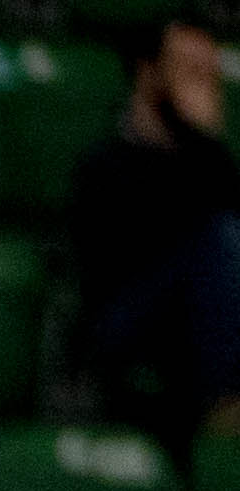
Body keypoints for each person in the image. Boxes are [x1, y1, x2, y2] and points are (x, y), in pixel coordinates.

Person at [72, 4, 240, 451]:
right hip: (127, 323)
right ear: (149, 74)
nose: (201, 87)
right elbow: (128, 255)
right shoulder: (105, 165)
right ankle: (227, 419)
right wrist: (204, 143)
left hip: (200, 323)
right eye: (188, 71)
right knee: (221, 242)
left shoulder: (208, 163)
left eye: (208, 75)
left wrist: (207, 144)